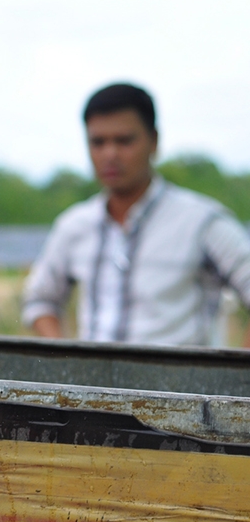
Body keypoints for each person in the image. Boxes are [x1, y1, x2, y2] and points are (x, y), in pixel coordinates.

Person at [22, 83, 250, 347]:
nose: (110, 154)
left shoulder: (201, 223)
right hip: (90, 386)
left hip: (177, 386)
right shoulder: (74, 225)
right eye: (98, 142)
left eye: (124, 140)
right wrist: (66, 363)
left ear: (153, 141)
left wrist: (239, 379)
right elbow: (39, 300)